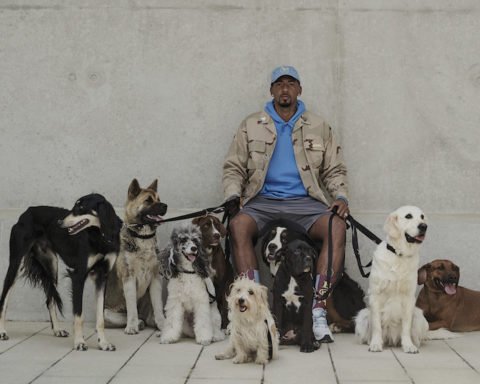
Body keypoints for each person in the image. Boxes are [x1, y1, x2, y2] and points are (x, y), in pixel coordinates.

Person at [222, 66, 349, 343]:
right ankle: (254, 311)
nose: (284, 88)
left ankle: (317, 309)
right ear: (271, 90)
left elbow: (334, 170)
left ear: (299, 90)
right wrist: (233, 195)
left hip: (305, 201)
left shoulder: (318, 125)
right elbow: (233, 167)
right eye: (279, 83)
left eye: (291, 83)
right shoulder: (252, 124)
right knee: (238, 226)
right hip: (262, 201)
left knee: (336, 228)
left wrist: (340, 197)